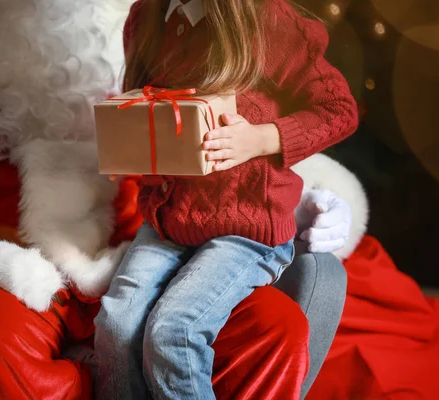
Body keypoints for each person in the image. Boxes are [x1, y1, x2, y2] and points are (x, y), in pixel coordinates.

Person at [0, 0, 364, 398]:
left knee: (271, 330)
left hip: (152, 232)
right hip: (2, 257)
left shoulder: (164, 16)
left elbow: (252, 110)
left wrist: (300, 196)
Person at [94, 0, 358, 399]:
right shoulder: (146, 17)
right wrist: (132, 149)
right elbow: (152, 110)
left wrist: (261, 138)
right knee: (115, 325)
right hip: (169, 220)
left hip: (248, 226)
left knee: (175, 331)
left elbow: (338, 110)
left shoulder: (268, 19)